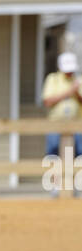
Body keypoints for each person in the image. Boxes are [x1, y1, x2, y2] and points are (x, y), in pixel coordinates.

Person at [42, 51, 82, 191]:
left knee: (79, 154)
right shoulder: (53, 79)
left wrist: (76, 93)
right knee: (53, 153)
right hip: (55, 124)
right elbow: (47, 101)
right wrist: (69, 92)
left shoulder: (78, 80)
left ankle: (77, 185)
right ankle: (54, 185)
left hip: (77, 124)